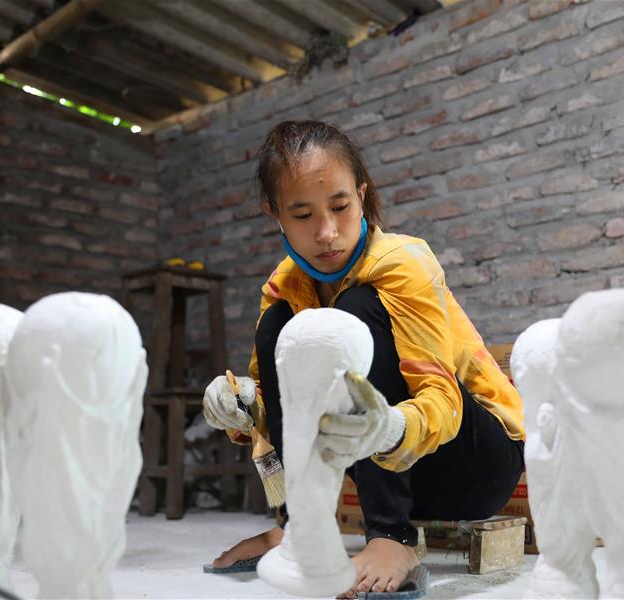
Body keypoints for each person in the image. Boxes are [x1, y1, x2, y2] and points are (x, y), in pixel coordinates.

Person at [202, 120, 525, 597]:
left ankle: (391, 536)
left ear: (361, 194)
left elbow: (444, 401)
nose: (328, 232)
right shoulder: (284, 287)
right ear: (275, 215)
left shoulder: (403, 263)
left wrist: (390, 426)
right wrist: (243, 406)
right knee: (284, 330)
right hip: (391, 468)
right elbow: (287, 410)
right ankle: (299, 528)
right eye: (302, 214)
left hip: (473, 463)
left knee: (353, 311)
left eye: (340, 206)